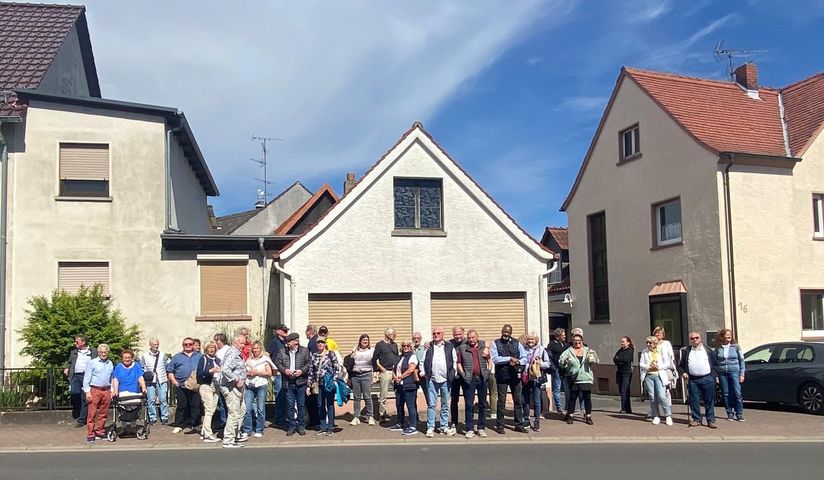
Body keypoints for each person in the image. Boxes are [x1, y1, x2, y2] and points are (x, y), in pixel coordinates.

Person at [490, 324, 527, 434]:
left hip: (515, 375)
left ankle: (519, 425)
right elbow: (495, 359)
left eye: (508, 332)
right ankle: (500, 425)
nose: (505, 334)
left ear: (511, 333)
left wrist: (518, 361)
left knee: (518, 401)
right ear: (501, 331)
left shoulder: (517, 343)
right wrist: (509, 358)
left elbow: (524, 357)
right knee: (501, 401)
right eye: (504, 332)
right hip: (502, 376)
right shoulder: (495, 343)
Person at [421, 326, 457, 437]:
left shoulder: (449, 347)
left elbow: (454, 361)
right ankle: (430, 427)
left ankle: (444, 426)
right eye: (434, 333)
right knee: (431, 405)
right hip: (432, 380)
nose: (436, 335)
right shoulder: (429, 347)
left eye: (438, 333)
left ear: (442, 334)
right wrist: (423, 373)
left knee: (445, 404)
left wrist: (453, 373)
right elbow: (422, 361)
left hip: (446, 380)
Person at [679, 331, 720, 428]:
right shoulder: (686, 351)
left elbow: (715, 364)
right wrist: (683, 373)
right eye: (692, 338)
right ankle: (697, 419)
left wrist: (713, 376)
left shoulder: (708, 350)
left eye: (696, 337)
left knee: (709, 400)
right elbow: (681, 365)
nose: (695, 340)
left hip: (707, 378)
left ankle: (710, 420)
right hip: (693, 379)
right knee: (694, 400)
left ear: (700, 338)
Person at [275, 332, 311, 436]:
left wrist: (301, 371)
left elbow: (309, 363)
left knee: (301, 404)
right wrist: (285, 370)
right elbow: (278, 363)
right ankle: (291, 426)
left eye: (289, 342)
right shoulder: (282, 351)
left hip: (301, 382)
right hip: (288, 382)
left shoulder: (304, 351)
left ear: (295, 342)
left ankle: (301, 426)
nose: (288, 344)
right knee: (290, 405)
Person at [559, 333, 599, 425]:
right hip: (574, 377)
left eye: (579, 340)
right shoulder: (568, 351)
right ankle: (570, 415)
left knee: (587, 397)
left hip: (585, 377)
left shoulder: (587, 350)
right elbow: (561, 363)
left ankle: (588, 416)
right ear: (572, 341)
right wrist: (565, 361)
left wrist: (593, 355)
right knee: (573, 397)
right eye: (575, 340)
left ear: (582, 341)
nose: (577, 342)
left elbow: (596, 360)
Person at [457, 329, 490, 438]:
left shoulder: (483, 345)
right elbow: (458, 363)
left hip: (482, 378)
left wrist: (488, 371)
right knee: (469, 405)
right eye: (469, 338)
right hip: (469, 379)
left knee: (482, 404)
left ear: (477, 337)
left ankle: (481, 428)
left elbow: (490, 359)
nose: (471, 340)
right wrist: (463, 374)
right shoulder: (463, 348)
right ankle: (470, 429)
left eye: (473, 337)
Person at [166, 337, 203, 434]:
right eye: (186, 344)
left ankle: (195, 424)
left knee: (195, 405)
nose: (188, 346)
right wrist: (174, 381)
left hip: (195, 385)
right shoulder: (177, 357)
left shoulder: (200, 356)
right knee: (181, 405)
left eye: (190, 344)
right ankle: (178, 424)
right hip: (181, 385)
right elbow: (170, 370)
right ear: (183, 345)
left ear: (193, 345)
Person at [307, 337, 341, 436]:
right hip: (319, 384)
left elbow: (337, 368)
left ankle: (330, 427)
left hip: (329, 383)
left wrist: (334, 380)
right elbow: (311, 371)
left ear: (325, 344)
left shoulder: (330, 354)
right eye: (318, 343)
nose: (320, 344)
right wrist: (309, 385)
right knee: (320, 405)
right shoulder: (314, 355)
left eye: (322, 342)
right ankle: (323, 427)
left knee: (329, 405)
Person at [220, 335, 248, 448]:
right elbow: (225, 369)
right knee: (234, 413)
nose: (243, 346)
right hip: (231, 388)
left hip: (238, 388)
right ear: (235, 343)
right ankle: (228, 440)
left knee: (241, 410)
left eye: (244, 343)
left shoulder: (237, 354)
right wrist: (236, 379)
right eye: (241, 343)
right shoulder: (232, 353)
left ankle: (235, 435)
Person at [82, 343, 113, 444]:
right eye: (102, 352)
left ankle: (100, 431)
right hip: (95, 389)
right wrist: (87, 392)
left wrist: (112, 390)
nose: (104, 354)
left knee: (103, 413)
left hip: (106, 390)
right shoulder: (92, 363)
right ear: (98, 352)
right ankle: (90, 433)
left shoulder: (110, 363)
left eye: (105, 352)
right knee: (92, 413)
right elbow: (87, 378)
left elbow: (111, 378)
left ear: (108, 353)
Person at [639, 336, 673, 426]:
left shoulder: (661, 350)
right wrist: (648, 367)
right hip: (648, 376)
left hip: (659, 375)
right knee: (652, 397)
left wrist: (658, 366)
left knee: (662, 396)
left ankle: (668, 415)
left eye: (650, 343)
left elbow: (667, 363)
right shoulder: (645, 351)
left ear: (655, 343)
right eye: (647, 342)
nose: (648, 344)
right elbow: (641, 363)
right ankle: (656, 415)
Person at [244, 340, 275, 438]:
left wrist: (258, 373)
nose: (255, 350)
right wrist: (249, 373)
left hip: (261, 385)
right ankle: (247, 429)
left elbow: (269, 373)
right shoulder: (249, 360)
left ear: (260, 349)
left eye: (257, 348)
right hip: (250, 385)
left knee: (261, 408)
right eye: (254, 348)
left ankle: (259, 429)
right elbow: (244, 371)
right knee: (247, 408)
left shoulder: (265, 360)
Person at [521, 333, 552, 432]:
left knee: (536, 400)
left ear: (536, 340)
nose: (530, 341)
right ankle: (526, 420)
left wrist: (540, 363)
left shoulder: (542, 350)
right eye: (529, 339)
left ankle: (537, 421)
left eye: (532, 339)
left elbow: (548, 364)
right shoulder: (523, 349)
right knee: (525, 400)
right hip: (526, 377)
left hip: (536, 378)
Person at [64, 334, 96, 428]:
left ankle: (82, 420)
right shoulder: (74, 352)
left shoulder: (93, 351)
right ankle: (79, 408)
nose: (75, 343)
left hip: (87, 376)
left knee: (85, 398)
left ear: (83, 342)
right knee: (74, 392)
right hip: (76, 376)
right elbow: (69, 362)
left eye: (77, 341)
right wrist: (66, 368)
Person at [714, 329, 746, 422]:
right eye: (727, 335)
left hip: (735, 371)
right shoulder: (718, 348)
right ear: (722, 336)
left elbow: (741, 360)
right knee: (725, 393)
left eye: (730, 335)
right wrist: (716, 375)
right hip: (722, 373)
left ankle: (739, 413)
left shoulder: (736, 347)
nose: (729, 336)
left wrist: (742, 374)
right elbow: (715, 362)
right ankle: (729, 413)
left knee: (737, 393)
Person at [390, 339, 419, 435]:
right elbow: (393, 369)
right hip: (399, 385)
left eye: (407, 346)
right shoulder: (399, 357)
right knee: (399, 404)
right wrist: (395, 377)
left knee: (410, 405)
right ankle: (400, 423)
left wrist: (401, 377)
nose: (405, 347)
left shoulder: (412, 357)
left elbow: (411, 369)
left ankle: (413, 426)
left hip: (409, 385)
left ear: (410, 347)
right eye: (403, 346)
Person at [138, 338, 169, 425]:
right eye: (154, 344)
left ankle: (164, 417)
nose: (156, 346)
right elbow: (142, 367)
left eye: (157, 344)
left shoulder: (163, 354)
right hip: (150, 381)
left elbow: (167, 365)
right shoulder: (144, 355)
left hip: (162, 379)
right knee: (151, 400)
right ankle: (152, 418)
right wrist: (146, 375)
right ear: (150, 345)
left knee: (163, 399)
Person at [372, 327, 399, 421]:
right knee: (383, 394)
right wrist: (380, 369)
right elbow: (375, 358)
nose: (395, 336)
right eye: (393, 334)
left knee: (398, 392)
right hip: (385, 372)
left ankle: (399, 413)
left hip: (394, 372)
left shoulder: (395, 345)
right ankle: (382, 414)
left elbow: (397, 357)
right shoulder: (379, 345)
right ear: (387, 335)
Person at [196, 341, 221, 443]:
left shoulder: (218, 359)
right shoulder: (203, 359)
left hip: (216, 386)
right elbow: (199, 373)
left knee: (212, 409)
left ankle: (204, 431)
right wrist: (210, 371)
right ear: (206, 349)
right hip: (206, 385)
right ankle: (208, 434)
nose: (212, 349)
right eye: (210, 347)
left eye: (213, 347)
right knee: (209, 409)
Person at [266, 324, 290, 428]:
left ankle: (285, 417)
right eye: (284, 330)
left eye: (286, 330)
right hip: (278, 373)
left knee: (285, 395)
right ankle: (279, 419)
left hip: (286, 372)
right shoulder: (274, 342)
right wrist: (272, 367)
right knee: (279, 395)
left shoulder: (286, 342)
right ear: (278, 331)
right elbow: (267, 355)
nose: (286, 332)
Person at [350, 334, 375, 426]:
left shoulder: (371, 350)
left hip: (366, 375)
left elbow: (374, 363)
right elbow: (351, 360)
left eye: (366, 340)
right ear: (360, 341)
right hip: (355, 375)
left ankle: (370, 416)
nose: (365, 341)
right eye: (363, 340)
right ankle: (356, 417)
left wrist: (374, 375)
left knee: (367, 396)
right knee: (356, 397)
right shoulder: (355, 349)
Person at [448, 326, 466, 433]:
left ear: (463, 333)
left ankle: (468, 423)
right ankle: (454, 422)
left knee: (469, 400)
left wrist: (487, 346)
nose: (457, 336)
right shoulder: (449, 344)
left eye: (459, 334)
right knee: (454, 400)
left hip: (466, 375)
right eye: (455, 334)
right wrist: (428, 343)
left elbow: (484, 343)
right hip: (454, 376)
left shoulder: (468, 342)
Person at [547, 328, 567, 414]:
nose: (564, 336)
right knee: (557, 388)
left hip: (565, 369)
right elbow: (549, 357)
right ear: (557, 336)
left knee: (567, 388)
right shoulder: (551, 345)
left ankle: (568, 406)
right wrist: (553, 368)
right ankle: (559, 407)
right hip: (557, 369)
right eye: (563, 335)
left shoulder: (565, 344)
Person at [613, 336, 635, 414]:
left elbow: (626, 360)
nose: (622, 343)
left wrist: (619, 359)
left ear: (628, 342)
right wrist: (618, 360)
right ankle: (627, 408)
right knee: (621, 390)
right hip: (619, 372)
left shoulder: (630, 350)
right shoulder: (620, 350)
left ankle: (624, 408)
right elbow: (615, 358)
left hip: (626, 373)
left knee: (624, 390)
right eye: (621, 342)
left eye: (623, 342)